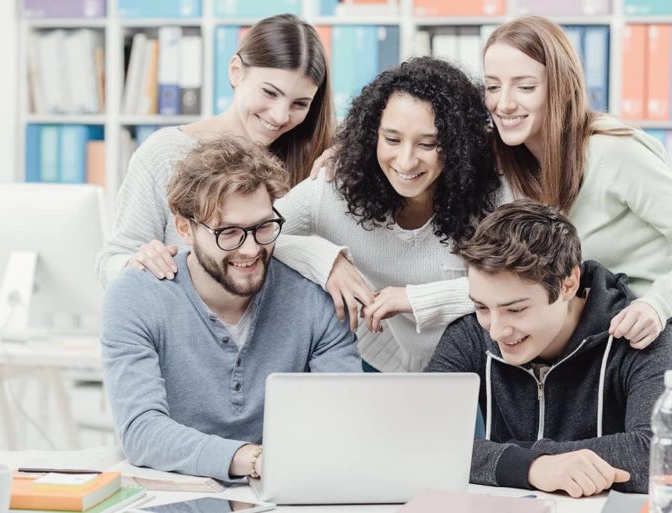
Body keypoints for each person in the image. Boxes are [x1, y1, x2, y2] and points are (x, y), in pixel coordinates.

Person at [481, 16, 672, 487]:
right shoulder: (519, 170)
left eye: (524, 86)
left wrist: (657, 303)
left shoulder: (611, 152)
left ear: (559, 87)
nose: (504, 103)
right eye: (492, 87)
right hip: (634, 376)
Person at [100, 136, 361, 480]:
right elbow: (142, 431)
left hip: (286, 494)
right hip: (174, 495)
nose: (251, 249)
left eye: (263, 227)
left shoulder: (316, 299)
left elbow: (345, 420)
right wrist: (252, 460)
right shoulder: (136, 296)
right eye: (229, 232)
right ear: (184, 229)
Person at [426, 200, 672, 496]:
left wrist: (520, 457)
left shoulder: (639, 334)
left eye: (516, 310)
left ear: (568, 284)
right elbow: (422, 439)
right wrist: (533, 467)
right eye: (482, 306)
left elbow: (661, 457)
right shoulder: (469, 334)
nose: (495, 330)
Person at [273, 56, 502, 373]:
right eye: (392, 140)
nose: (406, 162)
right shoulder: (334, 188)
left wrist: (412, 299)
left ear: (457, 144)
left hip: (468, 368)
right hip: (371, 359)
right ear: (372, 134)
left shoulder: (492, 197)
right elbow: (253, 233)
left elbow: (517, 283)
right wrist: (327, 261)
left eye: (428, 144)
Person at [96, 13, 337, 287]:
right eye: (270, 93)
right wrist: (136, 262)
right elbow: (112, 262)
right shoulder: (165, 153)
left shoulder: (318, 159)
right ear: (236, 71)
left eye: (300, 104)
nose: (280, 116)